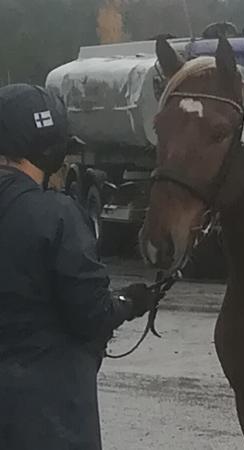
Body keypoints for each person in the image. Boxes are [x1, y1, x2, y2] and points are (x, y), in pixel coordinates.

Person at [0, 83, 160, 450]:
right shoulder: (56, 215)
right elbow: (91, 315)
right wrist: (130, 302)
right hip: (48, 415)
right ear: (48, 147)